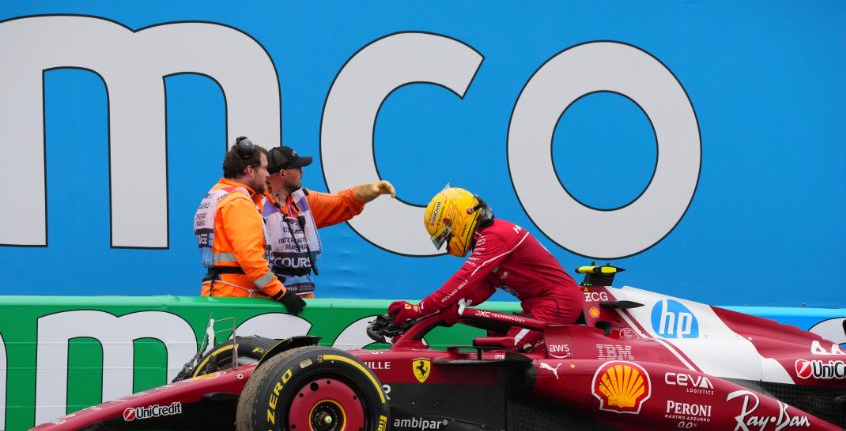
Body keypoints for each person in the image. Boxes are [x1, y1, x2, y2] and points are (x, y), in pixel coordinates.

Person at [387, 187, 584, 350]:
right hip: (542, 304)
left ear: (458, 220)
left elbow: (465, 278)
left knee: (507, 351)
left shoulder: (495, 236)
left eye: (446, 236)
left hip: (558, 303)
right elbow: (484, 286)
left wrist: (420, 308)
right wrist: (456, 306)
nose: (447, 245)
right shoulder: (489, 237)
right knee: (492, 343)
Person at [261, 145, 395, 297]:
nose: (302, 172)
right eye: (297, 168)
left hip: (303, 297)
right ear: (283, 173)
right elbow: (251, 261)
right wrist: (279, 294)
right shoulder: (256, 205)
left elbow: (343, 202)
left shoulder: (304, 201)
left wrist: (370, 190)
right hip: (270, 299)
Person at [194, 136, 305, 315]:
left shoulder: (216, 195)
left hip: (220, 292)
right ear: (250, 170)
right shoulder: (239, 203)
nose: (268, 175)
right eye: (264, 168)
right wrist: (281, 293)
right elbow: (251, 260)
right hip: (238, 298)